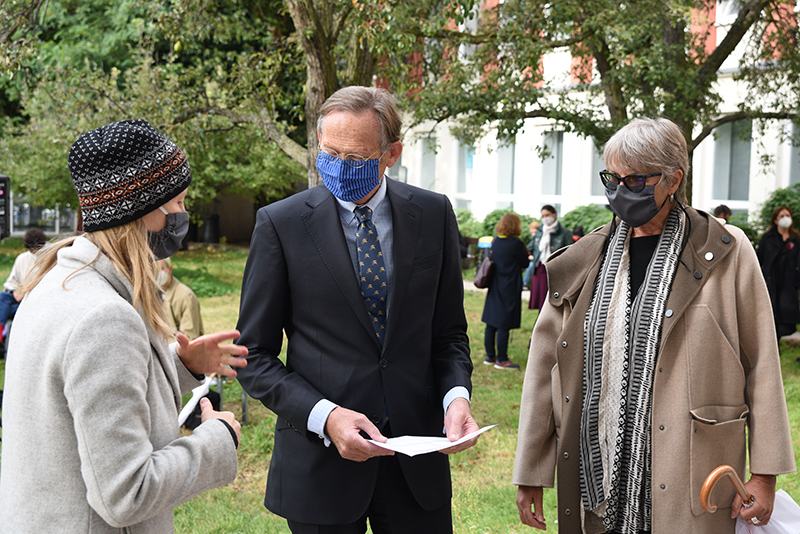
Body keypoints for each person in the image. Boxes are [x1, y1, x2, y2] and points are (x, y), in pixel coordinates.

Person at [514, 117, 795, 534]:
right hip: (600, 479)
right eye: (613, 179)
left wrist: (765, 473)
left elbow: (763, 366)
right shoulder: (583, 259)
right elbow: (543, 369)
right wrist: (532, 470)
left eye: (636, 181)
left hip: (692, 471)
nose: (621, 192)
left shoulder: (726, 250)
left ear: (673, 180)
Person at [235, 86, 479, 534]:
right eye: (329, 153)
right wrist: (325, 416)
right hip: (320, 465)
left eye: (356, 159)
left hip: (415, 465)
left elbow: (448, 335)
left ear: (391, 153)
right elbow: (253, 355)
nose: (339, 168)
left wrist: (456, 397)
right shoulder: (281, 224)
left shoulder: (433, 213)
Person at [0, 119, 249, 533]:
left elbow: (77, 396)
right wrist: (218, 439)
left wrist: (178, 364)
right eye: (179, 203)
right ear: (145, 208)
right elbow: (126, 492)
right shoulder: (103, 317)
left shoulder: (53, 285)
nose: (183, 216)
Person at [481, 213, 530, 370]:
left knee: (491, 321)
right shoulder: (516, 243)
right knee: (504, 323)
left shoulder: (495, 241)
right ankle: (502, 359)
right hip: (509, 285)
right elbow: (525, 262)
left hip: (495, 283)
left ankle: (490, 356)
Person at [756, 205, 800, 340]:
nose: (785, 219)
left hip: (789, 285)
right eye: (782, 216)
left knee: (785, 318)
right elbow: (759, 259)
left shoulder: (796, 238)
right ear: (775, 220)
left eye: (788, 216)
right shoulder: (767, 238)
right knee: (771, 317)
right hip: (772, 283)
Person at [0, 227, 47, 333]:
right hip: (18, 299)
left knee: (5, 310)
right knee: (2, 297)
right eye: (30, 250)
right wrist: (15, 291)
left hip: (34, 302)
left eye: (35, 250)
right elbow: (11, 281)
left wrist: (26, 293)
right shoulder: (22, 258)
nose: (33, 252)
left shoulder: (49, 259)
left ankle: (1, 336)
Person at [527, 205, 572, 310]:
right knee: (540, 301)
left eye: (547, 215)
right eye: (543, 216)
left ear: (554, 215)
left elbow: (570, 253)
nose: (545, 218)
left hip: (554, 269)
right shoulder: (539, 231)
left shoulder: (564, 233)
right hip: (539, 268)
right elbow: (530, 247)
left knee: (550, 301)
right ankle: (540, 323)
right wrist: (530, 256)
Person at [158, 257, 204, 341]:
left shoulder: (186, 296)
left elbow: (190, 337)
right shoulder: (151, 294)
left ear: (170, 270)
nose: (157, 273)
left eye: (161, 268)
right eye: (153, 269)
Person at [522, 220, 541, 289]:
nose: (533, 231)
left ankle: (524, 283)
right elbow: (529, 248)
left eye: (534, 229)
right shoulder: (534, 238)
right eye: (532, 229)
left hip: (537, 260)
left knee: (530, 266)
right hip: (532, 258)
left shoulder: (538, 237)